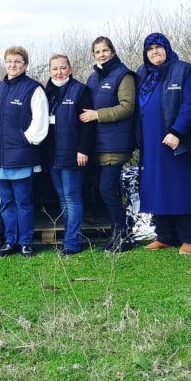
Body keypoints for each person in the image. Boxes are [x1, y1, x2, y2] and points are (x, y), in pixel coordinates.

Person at [136, 33, 191, 254]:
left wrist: (177, 131)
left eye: (158, 47)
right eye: (150, 49)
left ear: (167, 48)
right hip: (150, 142)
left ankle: (189, 238)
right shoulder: (142, 73)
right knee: (157, 187)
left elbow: (190, 103)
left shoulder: (183, 70)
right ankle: (165, 236)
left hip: (176, 142)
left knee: (180, 187)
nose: (155, 52)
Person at [0, 46, 48, 258]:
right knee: (6, 203)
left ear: (25, 65)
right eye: (9, 61)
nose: (13, 65)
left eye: (17, 61)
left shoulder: (33, 89)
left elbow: (40, 121)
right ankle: (10, 241)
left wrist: (26, 139)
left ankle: (26, 242)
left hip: (21, 155)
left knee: (23, 202)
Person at [79, 36, 137, 252]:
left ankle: (123, 234)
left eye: (105, 50)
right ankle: (116, 233)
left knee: (107, 188)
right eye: (97, 52)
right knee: (105, 190)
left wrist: (97, 115)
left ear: (112, 51)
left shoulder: (123, 75)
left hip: (116, 142)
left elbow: (127, 107)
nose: (101, 55)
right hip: (97, 143)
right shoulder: (93, 77)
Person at [43, 54, 96, 255]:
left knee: (72, 197)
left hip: (73, 154)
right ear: (50, 71)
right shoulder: (45, 92)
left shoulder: (81, 90)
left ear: (70, 69)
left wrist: (83, 149)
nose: (59, 72)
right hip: (52, 154)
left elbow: (88, 124)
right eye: (55, 68)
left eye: (63, 68)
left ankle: (72, 243)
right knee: (62, 198)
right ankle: (68, 237)